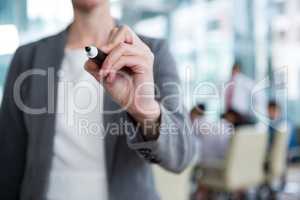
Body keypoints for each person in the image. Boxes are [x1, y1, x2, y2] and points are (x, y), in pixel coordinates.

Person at [0, 0, 197, 199]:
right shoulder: (27, 58)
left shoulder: (149, 52)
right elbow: (9, 161)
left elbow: (181, 156)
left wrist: (144, 111)